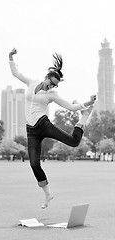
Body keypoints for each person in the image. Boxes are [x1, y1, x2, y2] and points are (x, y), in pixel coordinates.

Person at [9, 48, 96, 209]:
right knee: (34, 164)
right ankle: (48, 194)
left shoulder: (53, 94)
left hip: (43, 124)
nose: (51, 87)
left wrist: (88, 103)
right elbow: (16, 73)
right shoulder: (31, 82)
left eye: (54, 85)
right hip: (31, 130)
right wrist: (10, 57)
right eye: (51, 83)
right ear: (47, 77)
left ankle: (84, 116)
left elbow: (70, 106)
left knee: (74, 142)